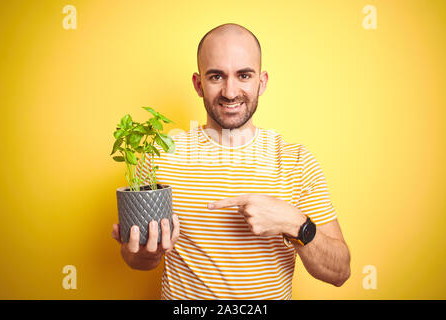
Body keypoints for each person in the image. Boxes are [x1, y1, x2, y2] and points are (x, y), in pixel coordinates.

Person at [112, 23, 351, 299]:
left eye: (244, 75)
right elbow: (138, 261)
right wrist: (144, 254)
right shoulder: (159, 156)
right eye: (216, 76)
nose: (230, 91)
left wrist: (295, 223)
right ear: (198, 84)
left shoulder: (297, 161)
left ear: (261, 82)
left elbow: (340, 272)